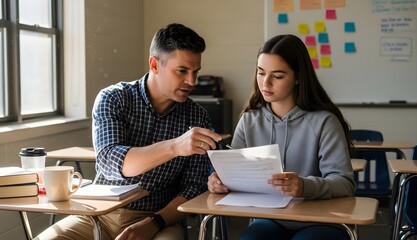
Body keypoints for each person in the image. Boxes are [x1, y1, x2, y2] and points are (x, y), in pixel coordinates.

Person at [35, 23, 222, 240]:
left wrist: (154, 222)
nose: (191, 81)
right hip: (99, 214)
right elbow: (110, 162)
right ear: (154, 64)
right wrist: (175, 146)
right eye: (182, 71)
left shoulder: (197, 117)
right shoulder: (114, 98)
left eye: (195, 72)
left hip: (159, 219)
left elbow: (193, 187)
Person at [207, 34, 356, 240]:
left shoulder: (324, 122)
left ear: (297, 77)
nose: (265, 83)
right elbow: (234, 174)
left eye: (277, 76)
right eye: (261, 73)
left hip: (320, 220)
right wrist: (218, 182)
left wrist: (304, 186)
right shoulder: (249, 120)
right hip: (267, 218)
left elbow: (344, 183)